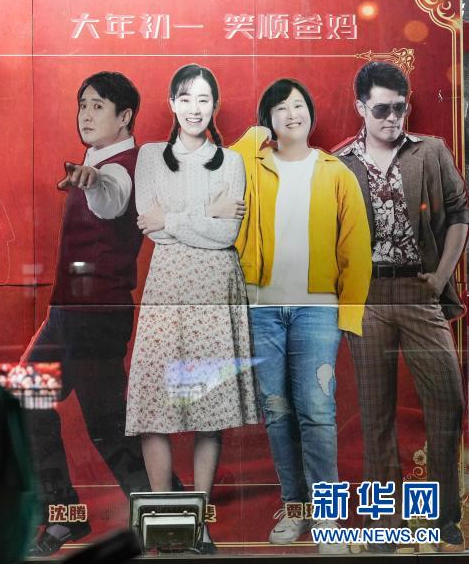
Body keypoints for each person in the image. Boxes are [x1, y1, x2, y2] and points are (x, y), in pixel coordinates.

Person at [232, 78, 371, 554]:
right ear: (267, 119)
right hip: (262, 308)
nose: (291, 114)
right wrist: (255, 134)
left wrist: (348, 316)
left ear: (310, 113)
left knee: (317, 411)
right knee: (276, 411)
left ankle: (327, 517)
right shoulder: (250, 166)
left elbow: (356, 247)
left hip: (318, 310)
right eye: (279, 108)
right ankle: (294, 508)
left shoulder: (335, 171)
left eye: (298, 106)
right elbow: (225, 160)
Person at [334, 61, 467, 553]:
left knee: (447, 401)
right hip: (368, 297)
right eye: (382, 110)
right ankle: (384, 524)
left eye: (400, 107)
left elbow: (459, 212)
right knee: (375, 414)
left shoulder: (430, 151)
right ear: (360, 108)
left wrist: (442, 276)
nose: (393, 118)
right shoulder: (340, 163)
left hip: (420, 291)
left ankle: (443, 516)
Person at [125, 63, 259, 553]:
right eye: (185, 98)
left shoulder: (231, 163)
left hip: (215, 286)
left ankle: (198, 523)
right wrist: (204, 213)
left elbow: (226, 235)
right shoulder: (150, 157)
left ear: (215, 105)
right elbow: (149, 226)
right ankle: (164, 517)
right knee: (154, 409)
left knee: (209, 412)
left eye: (204, 99)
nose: (195, 108)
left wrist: (176, 218)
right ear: (172, 103)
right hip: (166, 286)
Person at [23, 71, 155, 556]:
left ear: (125, 116)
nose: (86, 114)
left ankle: (166, 513)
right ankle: (63, 513)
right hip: (67, 313)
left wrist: (93, 180)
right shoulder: (94, 160)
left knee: (108, 426)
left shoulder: (122, 167)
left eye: (98, 106)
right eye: (82, 104)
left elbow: (111, 196)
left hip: (97, 315)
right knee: (25, 400)